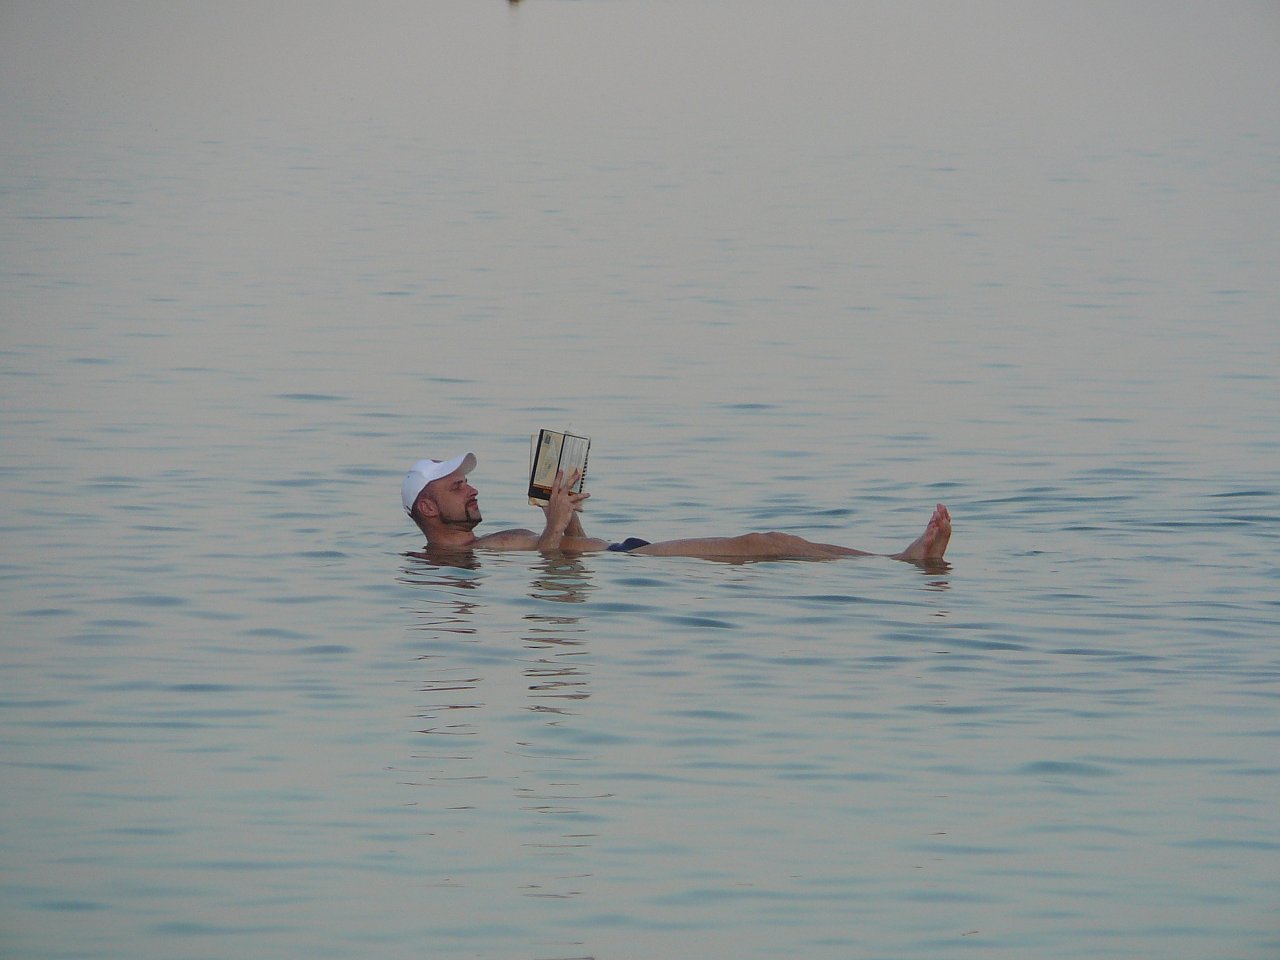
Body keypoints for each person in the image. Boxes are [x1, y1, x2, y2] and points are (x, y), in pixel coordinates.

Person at [402, 451, 950, 563]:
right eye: (458, 487)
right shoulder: (469, 560)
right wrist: (555, 523)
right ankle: (902, 561)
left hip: (621, 550)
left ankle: (896, 560)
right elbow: (552, 563)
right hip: (630, 562)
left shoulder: (489, 542)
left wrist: (565, 504)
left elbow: (564, 547)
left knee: (769, 542)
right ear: (427, 508)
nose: (472, 491)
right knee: (763, 544)